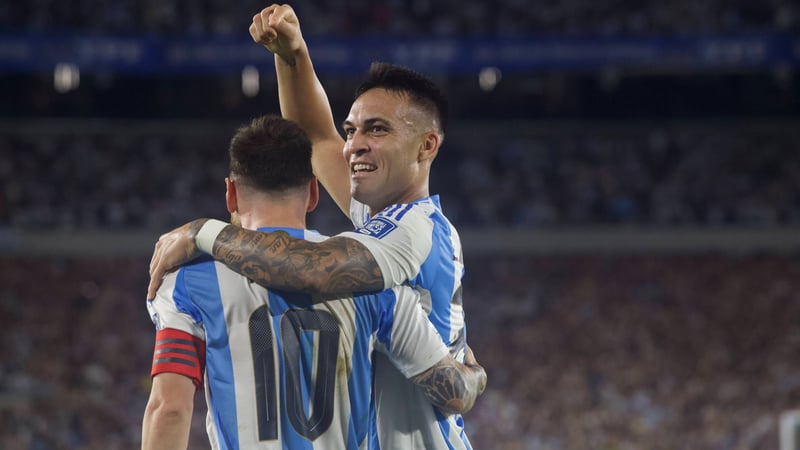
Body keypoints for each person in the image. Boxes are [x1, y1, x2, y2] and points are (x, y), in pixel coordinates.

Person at [147, 4, 475, 448]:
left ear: (426, 145)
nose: (353, 146)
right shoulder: (381, 219)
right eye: (352, 130)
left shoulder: (410, 230)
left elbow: (315, 270)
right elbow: (318, 138)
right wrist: (292, 55)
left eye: (376, 130)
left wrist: (202, 233)